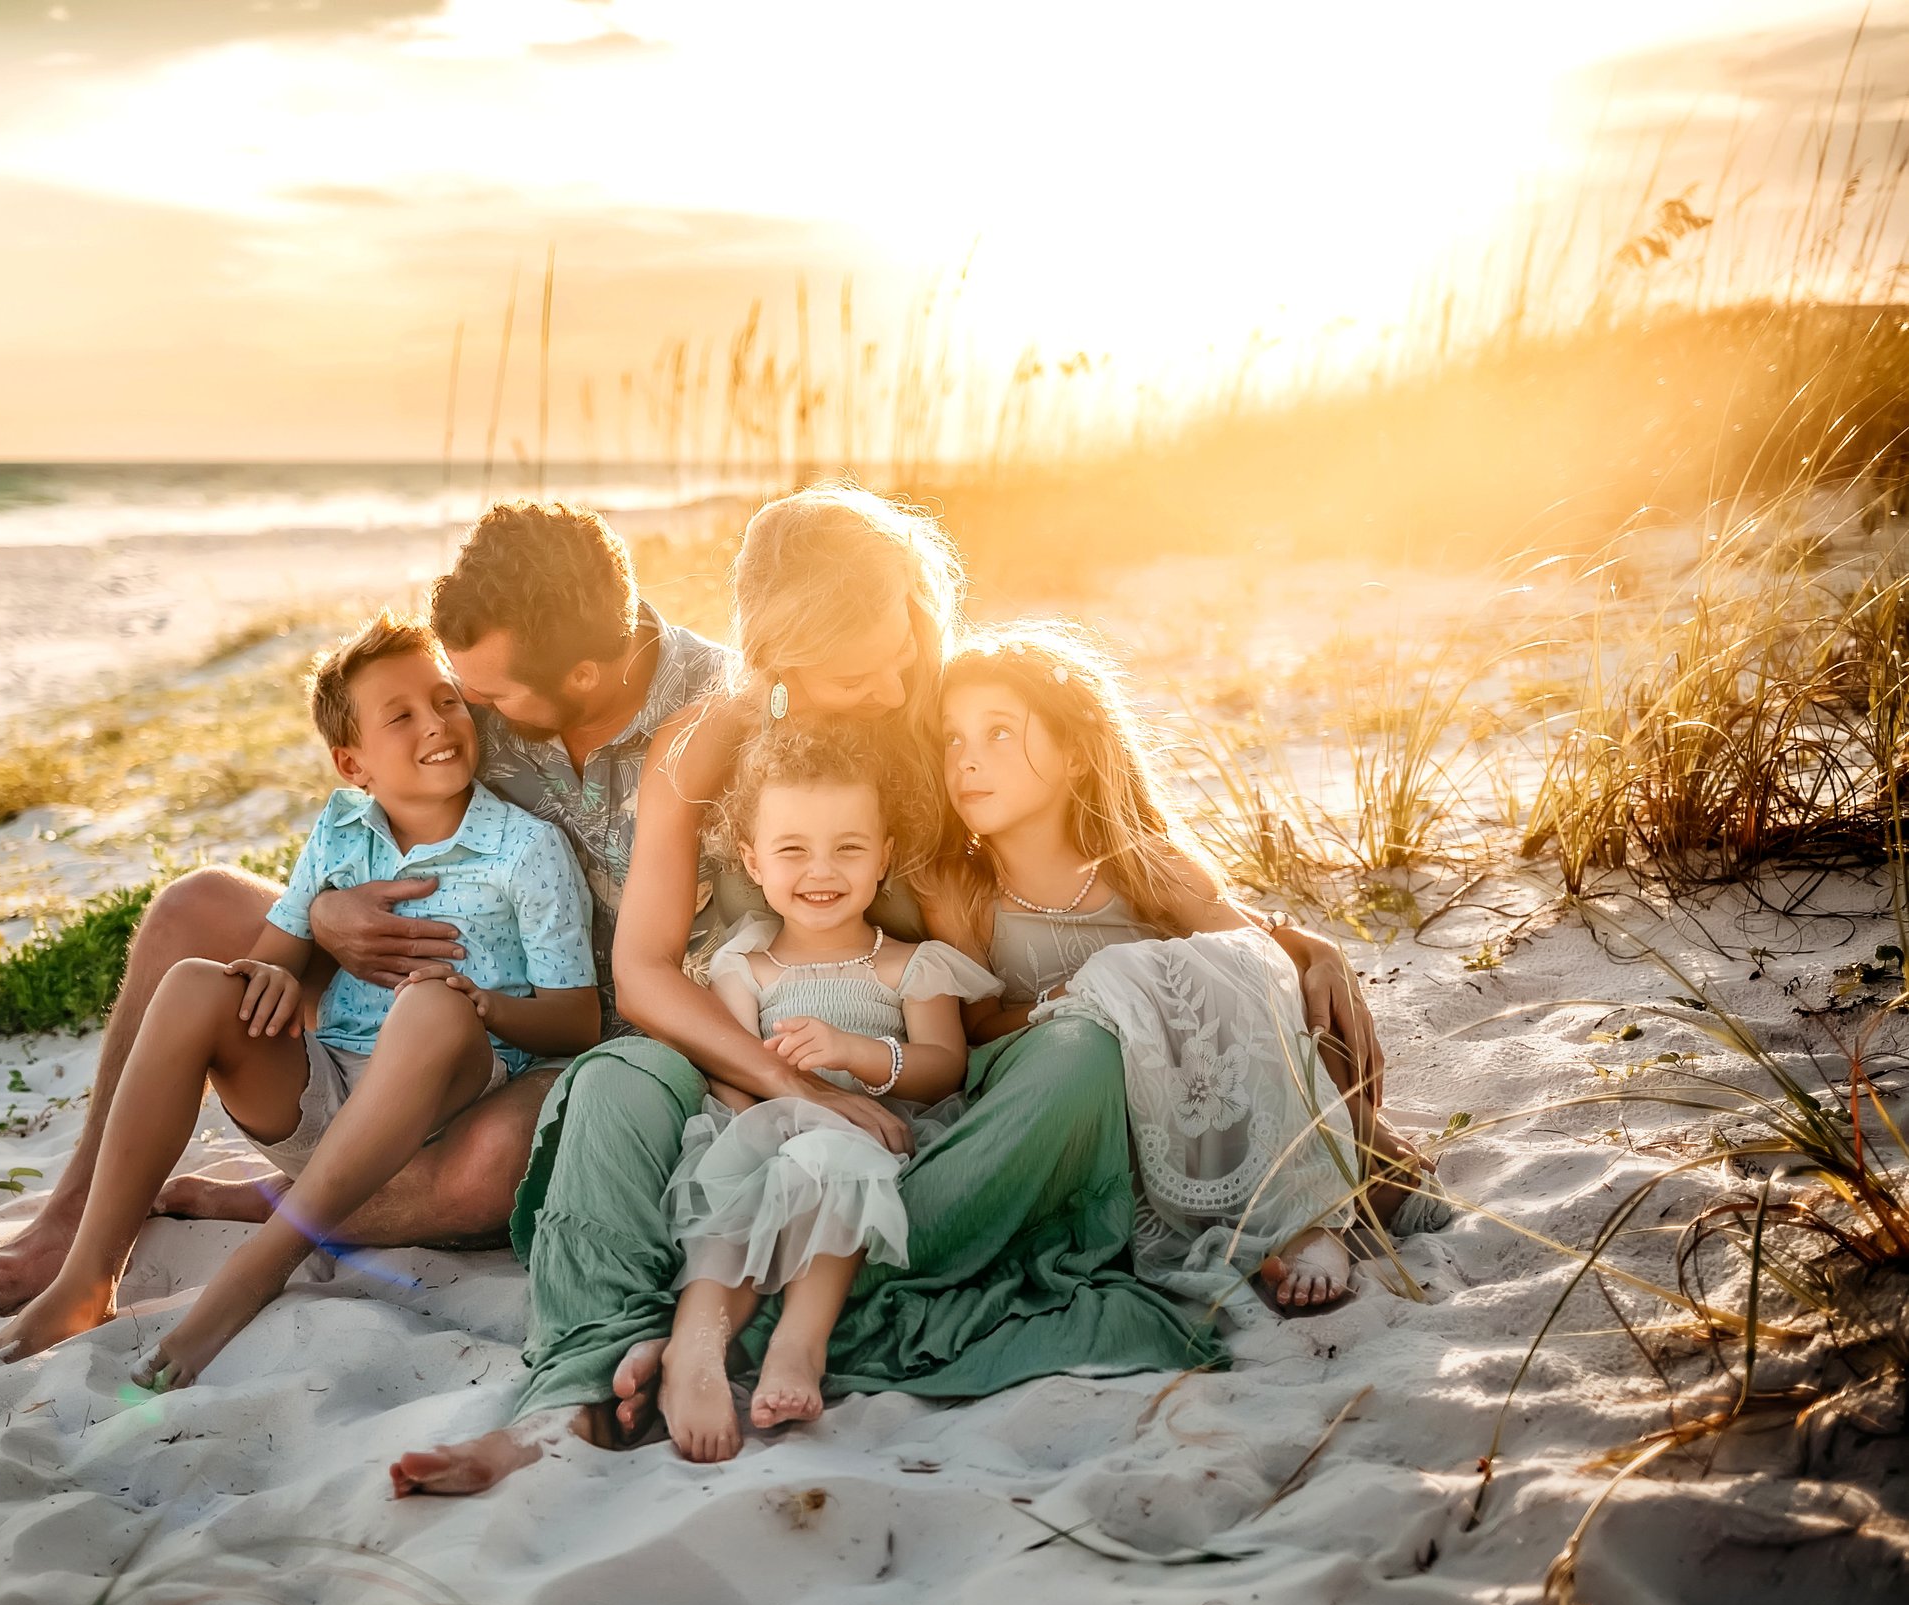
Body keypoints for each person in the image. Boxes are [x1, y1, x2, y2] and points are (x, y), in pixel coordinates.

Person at [394, 484, 1385, 1496]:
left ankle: (741, 1318)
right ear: (779, 658)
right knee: (611, 1078)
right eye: (859, 668)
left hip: (931, 1077)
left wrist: (1277, 936)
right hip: (744, 1061)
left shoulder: (939, 711)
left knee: (1079, 1052)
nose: (895, 678)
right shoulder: (698, 748)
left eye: (904, 643)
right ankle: (576, 1386)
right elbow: (643, 972)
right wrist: (801, 1092)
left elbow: (1116, 826)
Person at [0, 502, 730, 1315]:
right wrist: (324, 917)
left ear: (583, 678)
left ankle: (289, 1202)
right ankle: (75, 1219)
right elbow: (378, 786)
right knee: (190, 911)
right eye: (459, 689)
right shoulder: (484, 671)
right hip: (404, 983)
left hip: (555, 1038)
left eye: (478, 694)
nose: (463, 709)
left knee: (505, 1158)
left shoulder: (718, 712)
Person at [0, 614, 600, 1386]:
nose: (438, 722)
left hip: (444, 1100)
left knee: (431, 1005)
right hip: (325, 1094)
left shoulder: (525, 848)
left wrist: (483, 1005)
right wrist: (276, 973)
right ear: (350, 761)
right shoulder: (338, 830)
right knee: (197, 982)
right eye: (403, 715)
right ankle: (87, 1275)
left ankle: (261, 1265)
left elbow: (577, 1018)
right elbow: (276, 955)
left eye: (447, 700)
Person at [931, 623, 1444, 1314]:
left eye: (997, 733)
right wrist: (1090, 993)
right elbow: (978, 1030)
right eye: (950, 737)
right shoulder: (962, 892)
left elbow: (1252, 954)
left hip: (1195, 1090)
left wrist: (1316, 949)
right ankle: (1328, 1186)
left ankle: (1312, 1214)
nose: (966, 759)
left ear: (1077, 754)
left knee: (1266, 987)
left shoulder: (1142, 865)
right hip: (1093, 1112)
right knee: (1127, 988)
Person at [659, 718, 1001, 1457]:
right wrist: (769, 1132)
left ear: (884, 856)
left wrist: (858, 1052)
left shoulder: (911, 966)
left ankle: (797, 1346)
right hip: (762, 1134)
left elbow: (947, 1063)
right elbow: (731, 1068)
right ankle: (695, 1349)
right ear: (752, 859)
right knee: (741, 1203)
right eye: (792, 849)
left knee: (838, 1167)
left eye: (848, 848)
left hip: (871, 1147)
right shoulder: (745, 969)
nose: (822, 869)